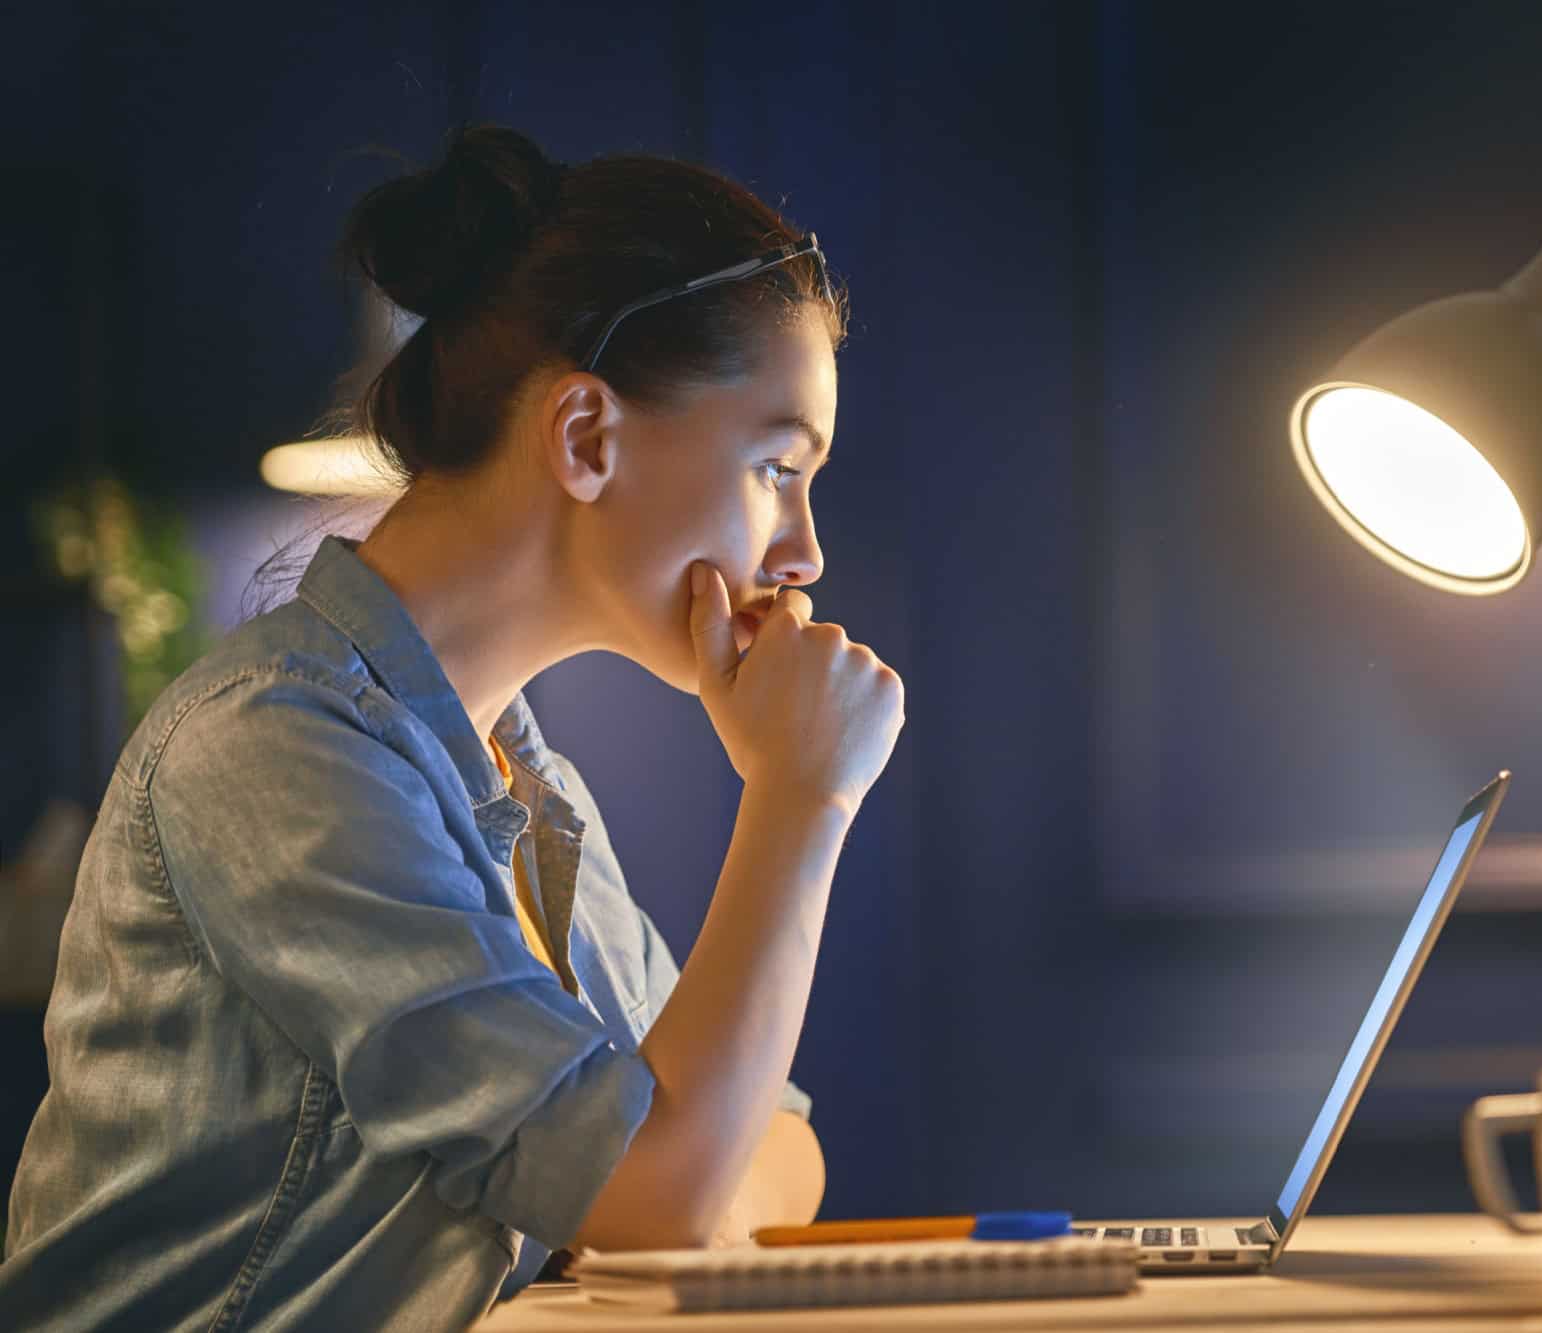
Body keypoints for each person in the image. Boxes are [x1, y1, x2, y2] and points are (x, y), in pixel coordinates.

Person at [0, 123, 904, 1331]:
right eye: (777, 469)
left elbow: (778, 1149)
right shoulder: (274, 748)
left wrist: (654, 1191)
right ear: (584, 439)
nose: (803, 553)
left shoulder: (525, 784)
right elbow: (666, 1191)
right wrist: (800, 798)